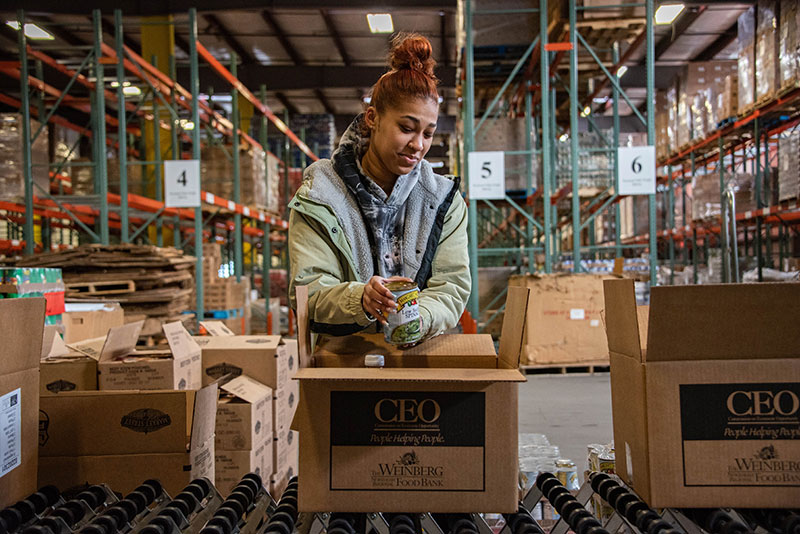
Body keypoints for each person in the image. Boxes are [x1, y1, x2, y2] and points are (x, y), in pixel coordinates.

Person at [288, 33, 470, 344]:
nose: (418, 145)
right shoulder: (319, 196)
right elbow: (308, 291)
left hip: (420, 357)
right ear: (372, 118)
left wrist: (415, 319)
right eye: (406, 128)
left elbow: (450, 287)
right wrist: (360, 299)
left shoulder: (443, 201)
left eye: (428, 133)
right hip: (344, 362)